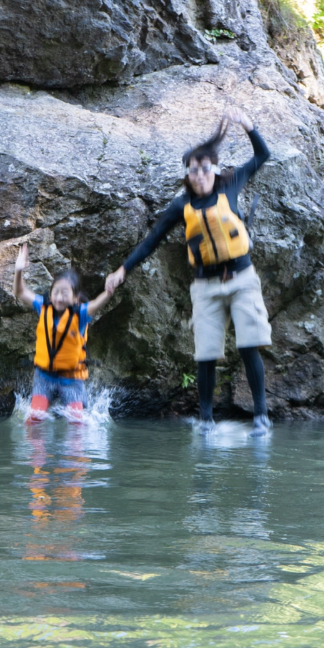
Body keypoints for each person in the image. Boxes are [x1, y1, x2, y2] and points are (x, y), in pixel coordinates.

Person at [105, 110, 273, 434]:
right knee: (206, 353)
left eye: (205, 169)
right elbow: (151, 241)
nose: (199, 176)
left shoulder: (231, 183)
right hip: (205, 286)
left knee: (248, 344)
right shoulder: (181, 207)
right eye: (193, 171)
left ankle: (261, 417)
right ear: (187, 174)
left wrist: (248, 126)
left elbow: (263, 155)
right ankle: (206, 420)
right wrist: (122, 270)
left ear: (214, 169)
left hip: (242, 280)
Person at [14, 244, 112, 420]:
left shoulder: (80, 315)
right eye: (56, 292)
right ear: (50, 294)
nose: (59, 298)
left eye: (65, 293)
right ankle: (36, 449)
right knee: (34, 419)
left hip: (71, 380)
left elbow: (96, 304)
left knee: (77, 423)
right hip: (44, 377)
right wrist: (19, 270)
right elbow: (20, 292)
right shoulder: (43, 307)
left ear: (75, 298)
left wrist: (108, 292)